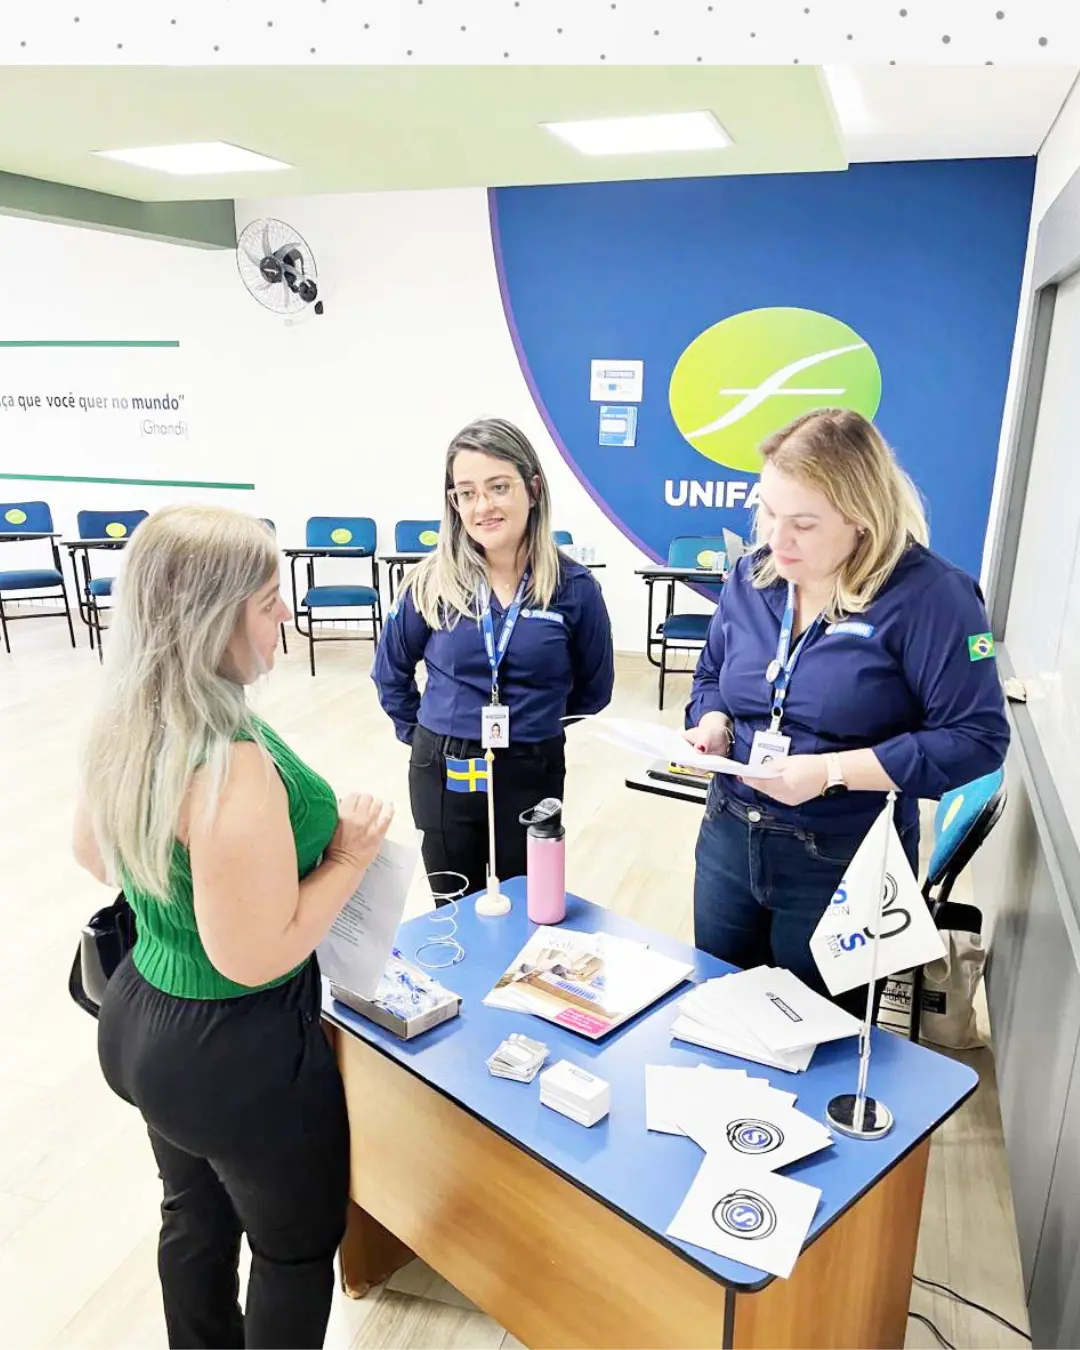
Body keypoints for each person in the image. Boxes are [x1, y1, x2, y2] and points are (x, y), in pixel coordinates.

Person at [72, 504, 393, 1350]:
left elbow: (94, 856)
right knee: (291, 1254)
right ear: (212, 619)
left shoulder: (135, 716)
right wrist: (348, 859)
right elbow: (254, 955)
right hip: (237, 1052)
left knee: (192, 1213)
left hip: (140, 1014)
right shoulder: (227, 760)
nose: (285, 611)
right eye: (267, 598)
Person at [685, 409, 1009, 1015]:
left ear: (861, 520)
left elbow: (977, 739)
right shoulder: (753, 578)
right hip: (730, 835)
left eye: (803, 524)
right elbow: (711, 678)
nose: (778, 540)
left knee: (821, 1036)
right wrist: (714, 724)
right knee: (722, 1012)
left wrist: (833, 770)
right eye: (769, 513)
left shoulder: (932, 597)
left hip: (842, 855)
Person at [372, 417, 614, 898]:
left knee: (530, 899)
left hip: (532, 766)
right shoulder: (429, 582)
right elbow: (390, 673)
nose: (482, 506)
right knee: (452, 903)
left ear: (533, 488)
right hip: (444, 767)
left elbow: (594, 690)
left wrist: (533, 726)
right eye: (466, 492)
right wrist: (425, 735)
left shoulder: (575, 588)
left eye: (498, 487)